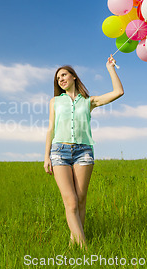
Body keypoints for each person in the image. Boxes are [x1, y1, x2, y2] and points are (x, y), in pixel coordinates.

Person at [43, 55, 124, 249]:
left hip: (84, 152)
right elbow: (50, 129)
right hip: (59, 151)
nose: (61, 79)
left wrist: (110, 68)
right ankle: (85, 249)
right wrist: (46, 156)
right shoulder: (55, 102)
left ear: (74, 77)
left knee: (80, 200)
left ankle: (74, 244)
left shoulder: (89, 101)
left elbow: (119, 92)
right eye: (58, 78)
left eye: (64, 75)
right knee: (70, 202)